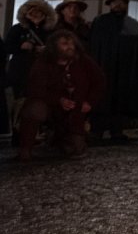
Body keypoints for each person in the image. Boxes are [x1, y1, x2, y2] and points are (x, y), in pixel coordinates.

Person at [18, 30, 105, 161]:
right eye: (64, 44)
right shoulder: (43, 62)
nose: (70, 46)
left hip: (75, 109)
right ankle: (26, 149)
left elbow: (99, 81)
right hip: (49, 105)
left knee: (76, 149)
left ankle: (58, 139)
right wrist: (58, 100)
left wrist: (89, 102)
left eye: (71, 43)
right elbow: (35, 88)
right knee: (35, 110)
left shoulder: (83, 61)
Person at [88, 0, 138, 142]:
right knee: (101, 98)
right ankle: (96, 130)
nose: (118, 5)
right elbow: (95, 45)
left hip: (124, 69)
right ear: (110, 5)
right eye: (114, 2)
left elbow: (136, 50)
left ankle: (117, 130)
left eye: (121, 2)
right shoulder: (100, 21)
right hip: (104, 65)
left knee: (120, 99)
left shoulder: (132, 24)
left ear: (126, 5)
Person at [5, 0, 57, 125]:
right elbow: (7, 47)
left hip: (42, 72)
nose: (35, 13)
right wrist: (21, 46)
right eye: (32, 10)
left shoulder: (50, 31)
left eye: (39, 10)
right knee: (20, 102)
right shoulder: (17, 29)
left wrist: (47, 50)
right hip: (20, 72)